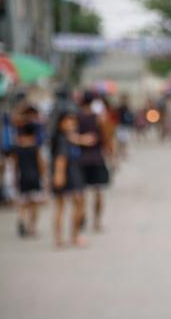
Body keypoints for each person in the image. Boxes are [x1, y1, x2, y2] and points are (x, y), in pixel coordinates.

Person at [51, 111, 85, 248]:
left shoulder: (68, 137)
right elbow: (61, 158)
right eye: (67, 121)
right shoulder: (62, 139)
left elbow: (78, 139)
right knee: (70, 206)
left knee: (64, 206)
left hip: (73, 172)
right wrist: (59, 175)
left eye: (72, 121)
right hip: (68, 174)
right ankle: (69, 237)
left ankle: (68, 237)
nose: (70, 124)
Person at [77, 91, 110, 232]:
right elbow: (106, 138)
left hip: (80, 159)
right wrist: (111, 155)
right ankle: (97, 221)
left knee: (81, 192)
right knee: (98, 192)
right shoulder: (99, 118)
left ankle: (81, 217)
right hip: (97, 158)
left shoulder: (75, 118)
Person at [11, 121, 45, 237]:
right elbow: (41, 164)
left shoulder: (17, 149)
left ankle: (21, 219)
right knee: (34, 204)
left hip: (23, 178)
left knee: (23, 203)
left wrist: (15, 178)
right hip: (34, 178)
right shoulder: (35, 148)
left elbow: (15, 165)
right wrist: (44, 178)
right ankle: (32, 228)